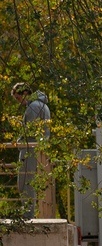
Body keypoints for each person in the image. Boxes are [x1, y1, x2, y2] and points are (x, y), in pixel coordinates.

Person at [11, 82, 51, 215]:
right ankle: (29, 214)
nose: (18, 102)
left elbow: (30, 132)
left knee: (24, 182)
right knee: (30, 182)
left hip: (30, 150)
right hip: (37, 150)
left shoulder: (33, 108)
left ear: (25, 93)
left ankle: (27, 216)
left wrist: (19, 141)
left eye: (18, 98)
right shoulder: (43, 106)